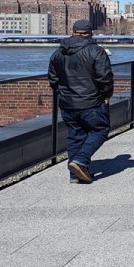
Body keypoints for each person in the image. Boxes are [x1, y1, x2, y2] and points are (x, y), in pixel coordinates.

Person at [47, 19, 114, 184]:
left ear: (72, 32)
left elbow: (53, 79)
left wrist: (63, 94)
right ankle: (81, 160)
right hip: (91, 101)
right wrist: (106, 95)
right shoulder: (96, 52)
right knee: (100, 130)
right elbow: (105, 78)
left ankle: (75, 176)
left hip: (67, 103)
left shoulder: (58, 53)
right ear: (90, 34)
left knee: (75, 136)